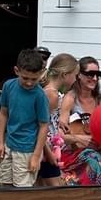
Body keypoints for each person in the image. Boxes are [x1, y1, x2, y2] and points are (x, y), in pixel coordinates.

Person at [0, 49, 50, 189]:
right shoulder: (9, 86)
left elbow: (44, 126)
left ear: (41, 73)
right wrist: (0, 142)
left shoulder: (40, 95)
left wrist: (36, 156)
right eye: (25, 78)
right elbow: (3, 113)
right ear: (16, 70)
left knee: (22, 189)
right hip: (10, 144)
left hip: (28, 149)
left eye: (34, 79)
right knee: (4, 184)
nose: (30, 83)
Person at [59, 56, 101, 177]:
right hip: (73, 153)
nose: (95, 78)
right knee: (93, 158)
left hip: (98, 150)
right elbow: (60, 135)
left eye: (98, 74)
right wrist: (79, 138)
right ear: (79, 75)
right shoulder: (70, 99)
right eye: (90, 74)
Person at [38, 53, 78, 187]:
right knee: (56, 191)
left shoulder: (53, 93)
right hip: (46, 151)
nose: (75, 80)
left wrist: (59, 121)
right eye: (74, 76)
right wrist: (49, 153)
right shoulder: (51, 94)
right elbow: (39, 126)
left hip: (48, 149)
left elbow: (48, 119)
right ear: (65, 75)